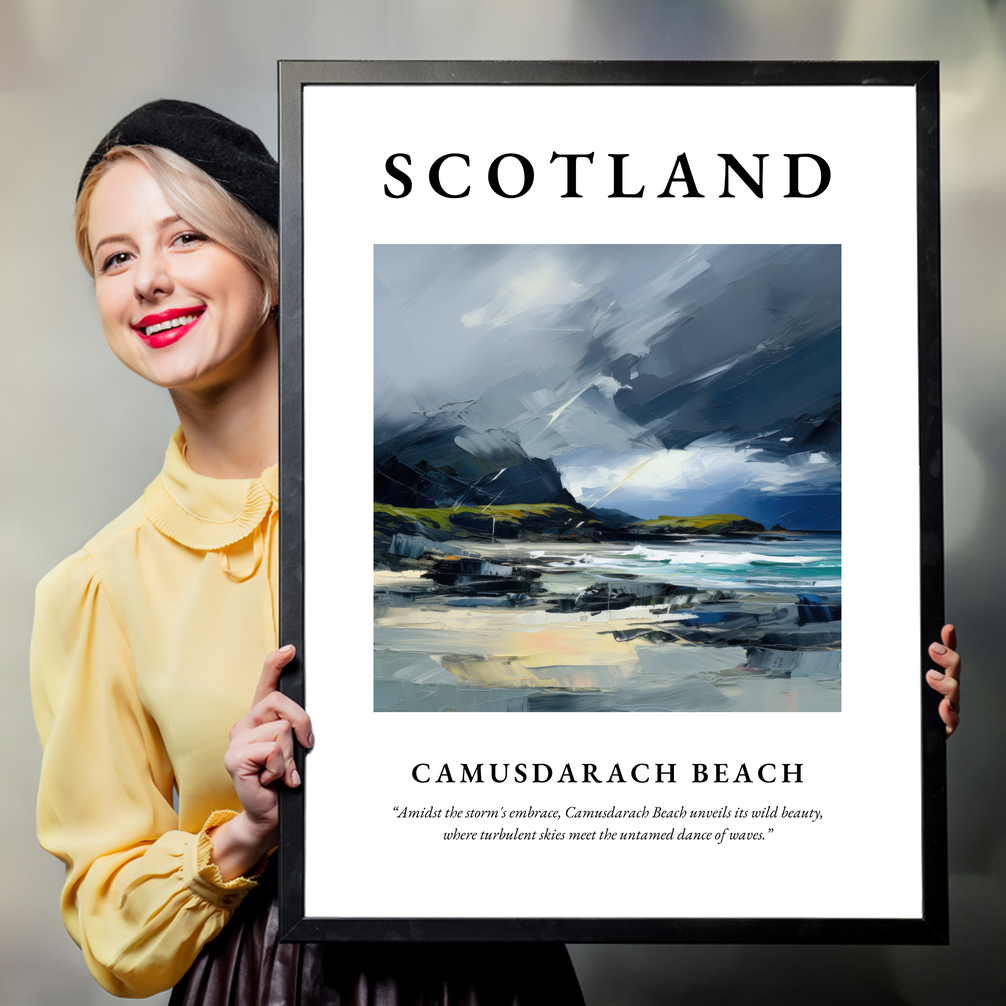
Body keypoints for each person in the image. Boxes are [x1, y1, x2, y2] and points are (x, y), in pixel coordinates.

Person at [30, 100, 585, 1004]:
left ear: (274, 264)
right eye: (116, 257)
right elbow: (110, 924)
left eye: (186, 239)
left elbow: (615, 717)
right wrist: (245, 832)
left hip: (493, 973)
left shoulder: (456, 493)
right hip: (264, 981)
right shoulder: (97, 586)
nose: (148, 281)